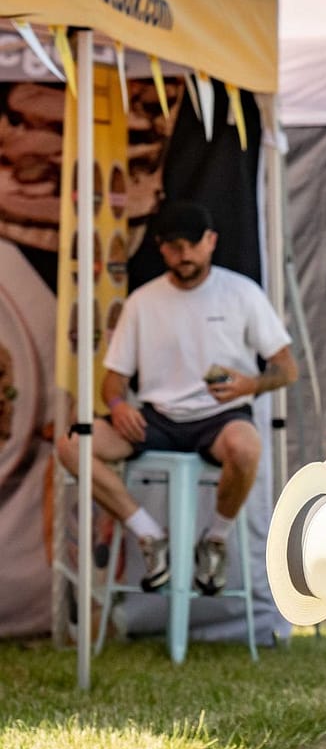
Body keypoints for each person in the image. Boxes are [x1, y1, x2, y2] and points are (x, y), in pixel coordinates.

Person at [56, 200, 297, 596]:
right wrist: (117, 408)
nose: (183, 254)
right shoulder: (142, 301)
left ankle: (215, 540)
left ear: (211, 241)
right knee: (71, 444)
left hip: (221, 416)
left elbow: (288, 370)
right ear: (160, 247)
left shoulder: (241, 292)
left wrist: (248, 385)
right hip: (158, 418)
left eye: (191, 244)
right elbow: (112, 383)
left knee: (248, 446)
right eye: (173, 246)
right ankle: (149, 535)